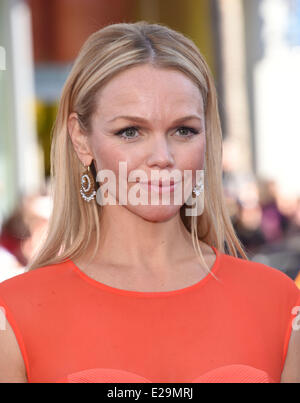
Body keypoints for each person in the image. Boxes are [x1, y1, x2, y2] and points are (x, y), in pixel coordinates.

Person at [0, 21, 299, 384]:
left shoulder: (277, 301)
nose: (162, 156)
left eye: (183, 130)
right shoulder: (15, 314)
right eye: (130, 131)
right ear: (81, 140)